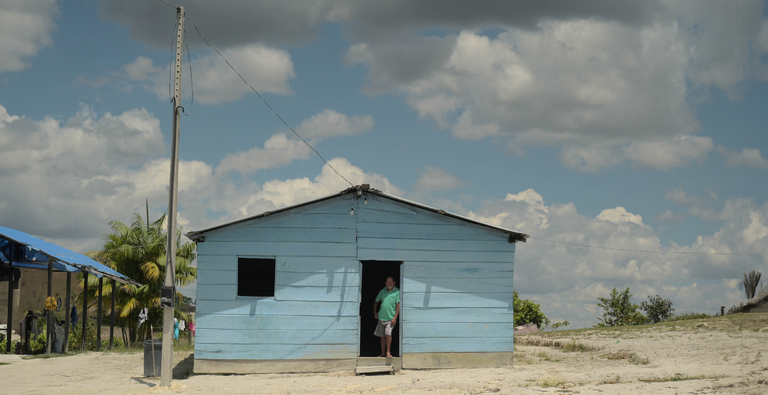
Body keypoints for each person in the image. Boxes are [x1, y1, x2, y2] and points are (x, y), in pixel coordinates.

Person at [373, 276, 400, 358]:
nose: (389, 283)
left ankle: (388, 352)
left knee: (388, 334)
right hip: (381, 318)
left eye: (391, 281)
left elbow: (398, 305)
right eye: (387, 282)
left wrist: (395, 317)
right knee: (382, 337)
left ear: (394, 283)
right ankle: (383, 353)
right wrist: (375, 312)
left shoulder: (397, 292)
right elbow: (376, 301)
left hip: (390, 318)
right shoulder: (382, 291)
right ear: (385, 283)